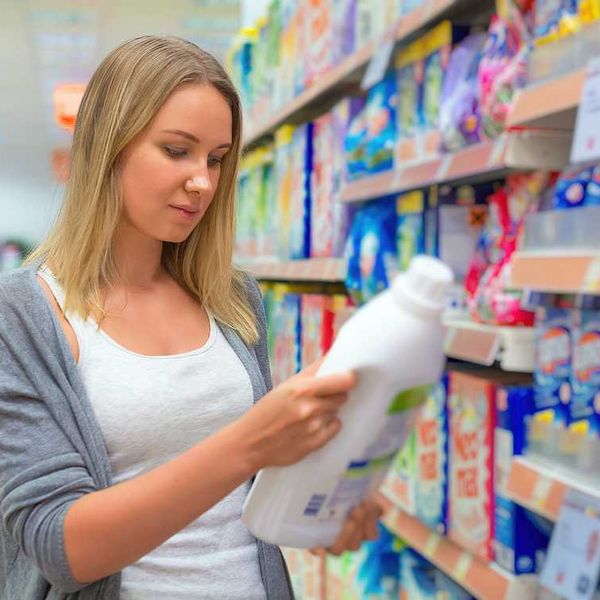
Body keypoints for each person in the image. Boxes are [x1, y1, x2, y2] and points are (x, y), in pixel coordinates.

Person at [0, 36, 382, 600]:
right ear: (110, 146)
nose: (203, 181)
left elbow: (247, 495)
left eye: (217, 158)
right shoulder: (24, 314)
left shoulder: (231, 298)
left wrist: (321, 501)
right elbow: (61, 547)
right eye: (177, 150)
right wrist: (252, 441)